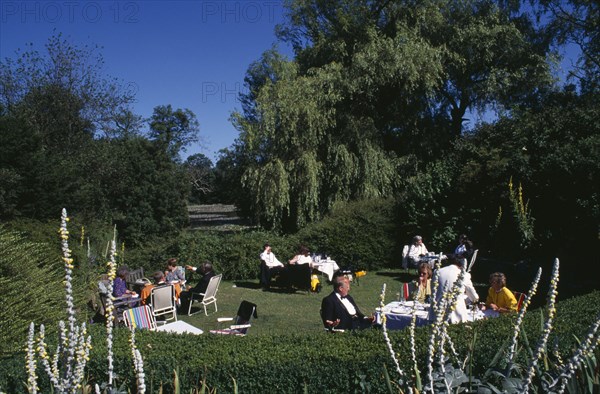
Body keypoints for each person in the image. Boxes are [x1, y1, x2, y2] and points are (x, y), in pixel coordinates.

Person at [430, 256, 479, 324]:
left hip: (436, 313)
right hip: (456, 315)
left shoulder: (437, 271)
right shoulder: (465, 275)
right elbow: (474, 297)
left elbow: (433, 290)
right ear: (462, 265)